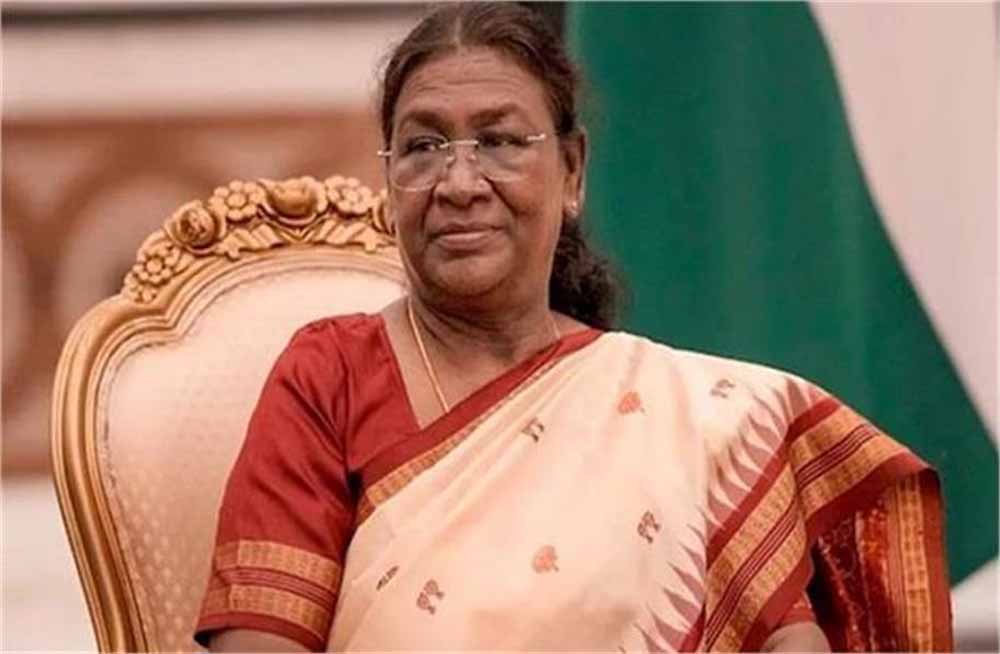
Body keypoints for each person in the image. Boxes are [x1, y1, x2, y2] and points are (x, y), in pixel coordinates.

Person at [193, 3, 952, 652]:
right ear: (391, 181)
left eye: (499, 141)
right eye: (423, 147)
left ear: (574, 172)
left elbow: (788, 640)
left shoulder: (686, 419)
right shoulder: (330, 376)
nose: (460, 183)